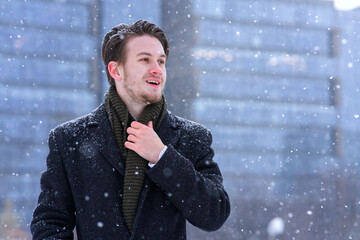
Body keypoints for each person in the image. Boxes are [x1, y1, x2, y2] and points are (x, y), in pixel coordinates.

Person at [31, 19, 230, 240]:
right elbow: (49, 223)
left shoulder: (192, 137)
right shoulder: (68, 139)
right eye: (145, 60)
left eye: (161, 61)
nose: (157, 70)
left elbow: (215, 213)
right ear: (116, 70)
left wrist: (162, 157)